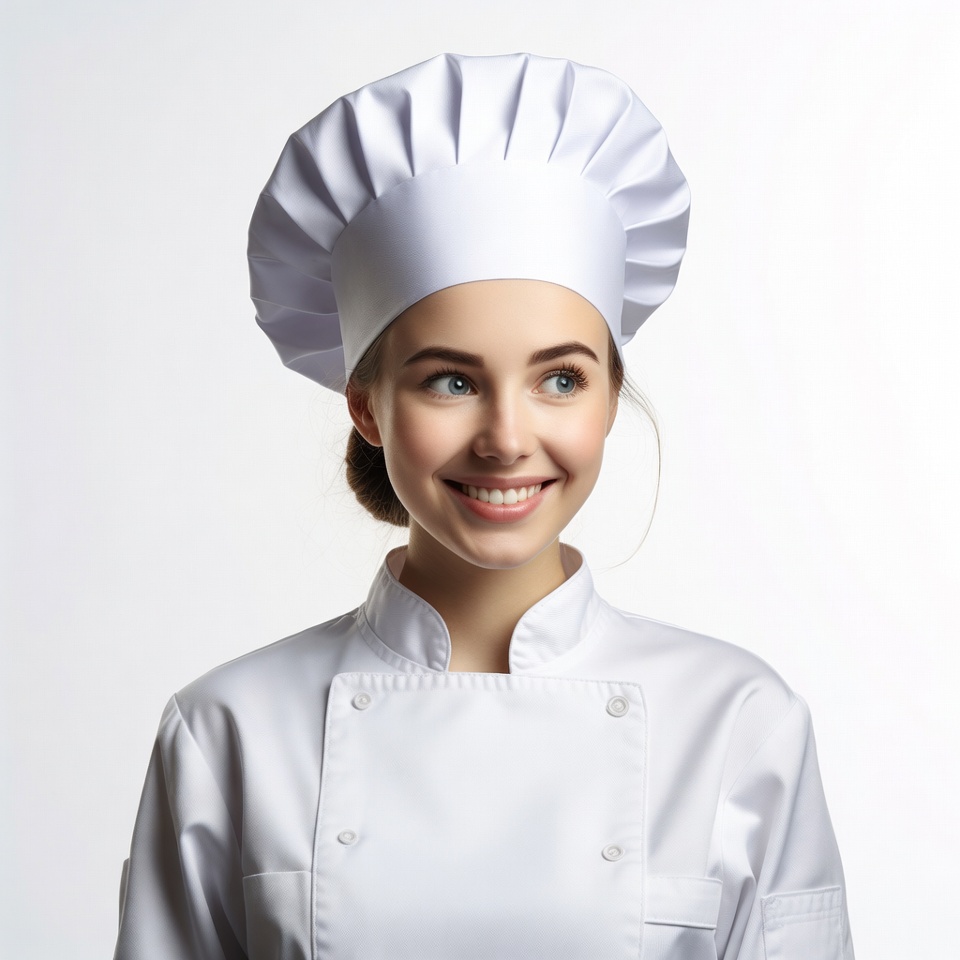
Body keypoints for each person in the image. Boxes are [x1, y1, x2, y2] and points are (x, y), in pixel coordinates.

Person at [113, 53, 854, 960]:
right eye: (452, 380)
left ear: (609, 399)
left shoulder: (738, 721)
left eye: (559, 378)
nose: (506, 437)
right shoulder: (229, 729)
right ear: (366, 405)